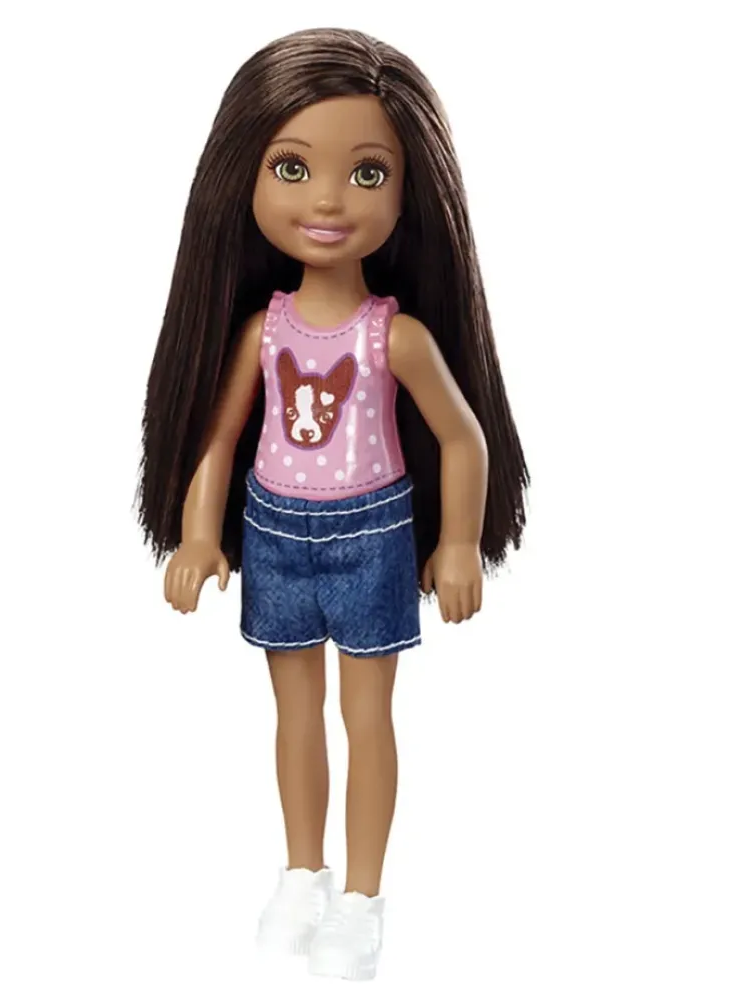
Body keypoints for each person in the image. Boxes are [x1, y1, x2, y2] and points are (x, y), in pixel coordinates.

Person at [137, 26, 528, 981]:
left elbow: (465, 438)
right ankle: (301, 875)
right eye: (292, 167)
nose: (326, 199)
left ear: (409, 191)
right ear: (244, 177)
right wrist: (197, 533)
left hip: (372, 535)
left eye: (366, 173)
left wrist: (458, 543)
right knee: (295, 716)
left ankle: (362, 898)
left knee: (369, 718)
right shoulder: (262, 332)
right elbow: (220, 438)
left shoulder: (396, 337)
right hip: (274, 532)